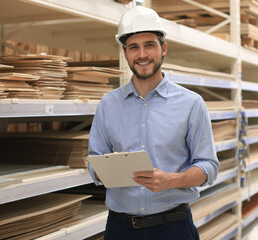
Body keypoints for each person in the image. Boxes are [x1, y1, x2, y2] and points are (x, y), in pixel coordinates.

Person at [88, 5, 219, 240]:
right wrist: (104, 169)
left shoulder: (191, 103)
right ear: (125, 53)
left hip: (173, 227)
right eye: (133, 47)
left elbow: (208, 166)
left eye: (149, 45)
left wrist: (171, 180)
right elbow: (94, 161)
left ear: (163, 48)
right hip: (120, 229)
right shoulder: (108, 104)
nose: (142, 55)